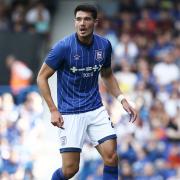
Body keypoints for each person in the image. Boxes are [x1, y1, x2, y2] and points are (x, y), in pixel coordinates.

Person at [37, 4, 137, 180]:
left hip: (95, 109)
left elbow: (107, 74)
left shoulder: (104, 45)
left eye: (87, 19)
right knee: (70, 171)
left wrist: (122, 99)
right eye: (78, 19)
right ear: (74, 22)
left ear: (95, 22)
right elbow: (41, 77)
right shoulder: (63, 47)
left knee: (112, 157)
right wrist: (53, 109)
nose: (82, 23)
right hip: (70, 112)